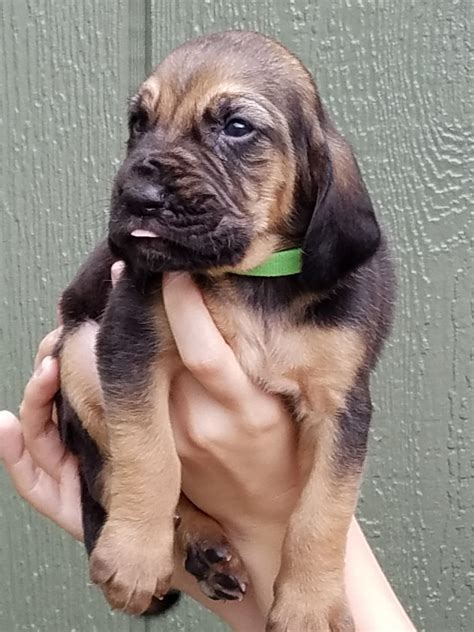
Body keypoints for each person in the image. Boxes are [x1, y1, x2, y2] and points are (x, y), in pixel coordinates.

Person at [0, 268, 415, 632]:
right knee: (79, 348)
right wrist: (141, 512)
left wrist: (265, 518)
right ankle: (188, 522)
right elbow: (116, 349)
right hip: (134, 457)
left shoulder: (345, 290)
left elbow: (342, 417)